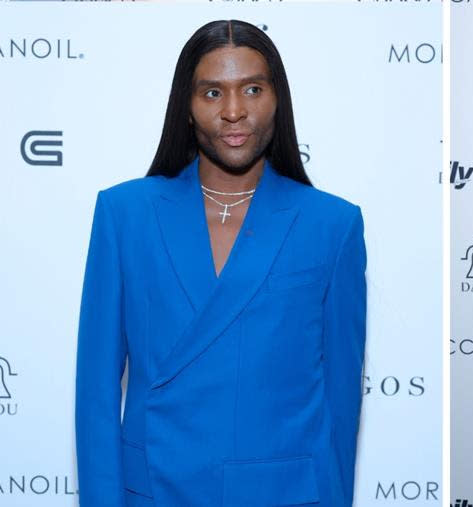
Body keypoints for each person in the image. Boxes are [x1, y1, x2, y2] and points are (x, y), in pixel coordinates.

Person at [75, 20, 366, 506]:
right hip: (152, 490)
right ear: (186, 108)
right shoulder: (124, 214)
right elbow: (96, 390)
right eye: (212, 92)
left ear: (278, 100)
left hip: (282, 494)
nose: (234, 111)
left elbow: (340, 400)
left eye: (252, 89)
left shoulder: (332, 224)